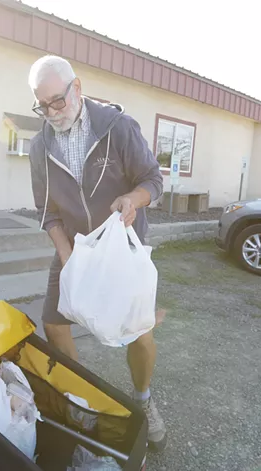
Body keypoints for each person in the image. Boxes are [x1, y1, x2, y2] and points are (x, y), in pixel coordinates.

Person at [27, 55, 167, 451]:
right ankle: (81, 401)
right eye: (43, 105)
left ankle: (143, 399)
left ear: (78, 87)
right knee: (54, 324)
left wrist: (133, 199)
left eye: (58, 100)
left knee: (137, 332)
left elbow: (153, 179)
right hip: (75, 246)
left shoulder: (118, 128)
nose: (53, 112)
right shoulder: (40, 147)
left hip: (122, 247)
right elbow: (47, 211)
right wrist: (68, 255)